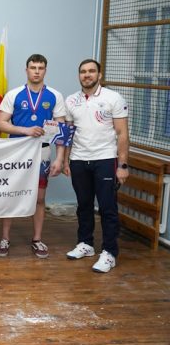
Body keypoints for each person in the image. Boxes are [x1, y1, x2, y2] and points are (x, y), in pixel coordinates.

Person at [0, 54, 66, 258]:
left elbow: (61, 129)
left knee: (40, 198)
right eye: (33, 67)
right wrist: (25, 130)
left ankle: (37, 239)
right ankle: (5, 238)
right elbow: (1, 123)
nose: (36, 71)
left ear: (45, 71)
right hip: (17, 151)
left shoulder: (55, 95)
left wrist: (60, 158)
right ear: (26, 70)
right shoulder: (14, 94)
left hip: (42, 151)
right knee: (10, 195)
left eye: (40, 68)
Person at [63, 59, 129, 273]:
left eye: (91, 71)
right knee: (83, 205)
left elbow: (122, 133)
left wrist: (123, 165)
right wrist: (65, 160)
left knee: (107, 207)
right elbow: (68, 133)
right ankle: (85, 243)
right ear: (79, 75)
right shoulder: (71, 100)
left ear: (99, 75)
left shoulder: (113, 98)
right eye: (83, 71)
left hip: (105, 159)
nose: (87, 75)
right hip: (79, 159)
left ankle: (109, 252)